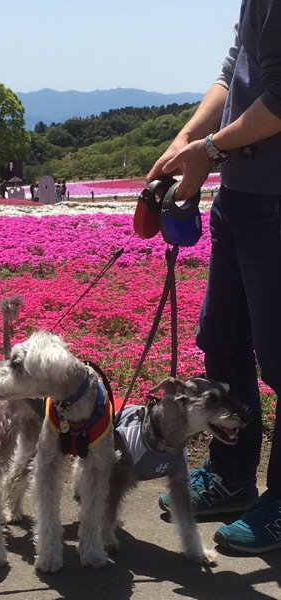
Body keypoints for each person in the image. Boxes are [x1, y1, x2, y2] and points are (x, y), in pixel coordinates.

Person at [147, 0, 281, 554]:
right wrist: (184, 144)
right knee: (221, 338)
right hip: (242, 193)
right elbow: (233, 72)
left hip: (275, 197)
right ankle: (231, 474)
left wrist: (207, 150)